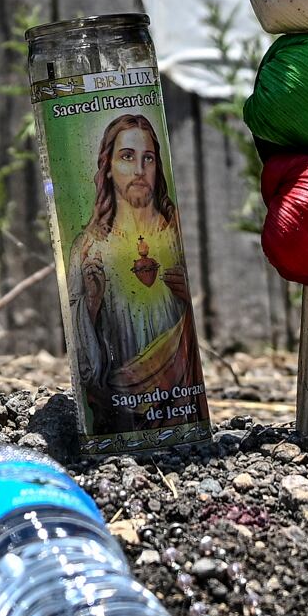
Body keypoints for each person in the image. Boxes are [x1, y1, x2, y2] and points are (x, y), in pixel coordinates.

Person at [66, 112, 198, 410]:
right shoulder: (89, 247)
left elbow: (191, 321)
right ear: (108, 166)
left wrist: (186, 295)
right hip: (121, 405)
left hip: (181, 403)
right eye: (127, 156)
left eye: (148, 158)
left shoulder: (173, 233)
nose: (139, 169)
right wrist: (91, 304)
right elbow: (81, 354)